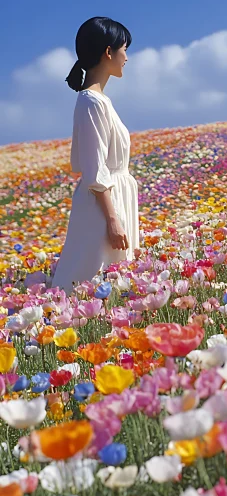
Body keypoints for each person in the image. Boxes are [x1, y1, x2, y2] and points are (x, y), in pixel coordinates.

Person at [51, 17, 139, 294]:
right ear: (108, 52)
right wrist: (112, 219)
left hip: (112, 199)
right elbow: (95, 167)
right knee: (92, 284)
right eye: (124, 49)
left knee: (113, 286)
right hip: (103, 207)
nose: (127, 57)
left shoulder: (100, 101)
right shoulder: (91, 102)